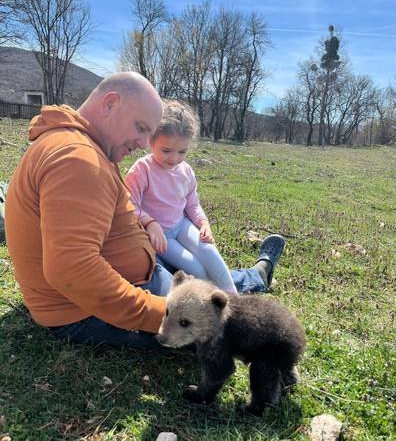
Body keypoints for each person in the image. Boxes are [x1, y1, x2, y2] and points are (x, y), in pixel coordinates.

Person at [4, 72, 285, 349]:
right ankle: (252, 282)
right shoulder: (78, 159)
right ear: (110, 103)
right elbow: (73, 270)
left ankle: (254, 277)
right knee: (212, 328)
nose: (142, 144)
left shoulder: (82, 146)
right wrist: (164, 314)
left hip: (135, 278)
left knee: (197, 282)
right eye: (140, 128)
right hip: (82, 311)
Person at [125, 99, 236, 293]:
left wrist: (203, 223)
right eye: (166, 150)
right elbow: (129, 204)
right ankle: (217, 302)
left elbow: (192, 203)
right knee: (196, 268)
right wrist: (150, 223)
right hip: (162, 237)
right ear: (151, 140)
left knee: (210, 252)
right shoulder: (142, 170)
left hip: (182, 225)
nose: (174, 158)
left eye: (182, 151)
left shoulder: (186, 171)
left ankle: (235, 299)